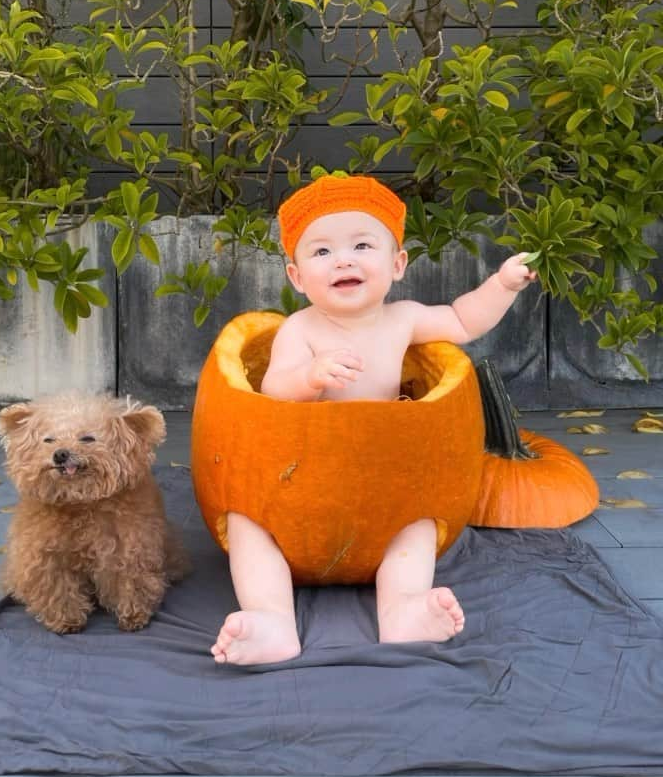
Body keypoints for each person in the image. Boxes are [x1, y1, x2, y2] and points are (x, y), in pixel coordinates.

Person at [210, 174, 537, 667]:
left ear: (396, 263)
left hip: (383, 483)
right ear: (297, 277)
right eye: (321, 252)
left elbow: (465, 321)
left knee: (420, 524)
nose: (343, 259)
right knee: (245, 524)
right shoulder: (300, 330)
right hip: (300, 486)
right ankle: (270, 618)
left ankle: (403, 608)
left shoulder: (402, 319)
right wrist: (310, 377)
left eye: (362, 245)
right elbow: (273, 391)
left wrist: (503, 283)